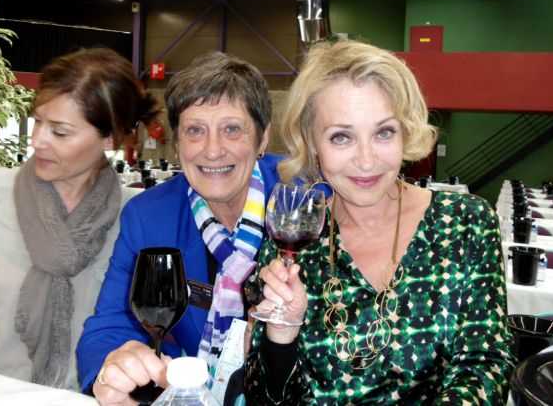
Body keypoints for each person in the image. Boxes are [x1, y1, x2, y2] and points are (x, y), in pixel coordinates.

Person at [245, 40, 515, 404]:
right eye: (341, 137)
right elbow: (265, 397)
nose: (367, 160)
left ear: (406, 131)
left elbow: (485, 367)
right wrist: (281, 335)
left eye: (384, 132)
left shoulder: (466, 223)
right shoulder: (294, 240)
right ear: (312, 144)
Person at [76, 51, 282, 404]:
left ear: (262, 138)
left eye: (232, 129)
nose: (212, 150)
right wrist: (112, 369)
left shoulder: (307, 203)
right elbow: (111, 324)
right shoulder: (150, 216)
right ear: (177, 142)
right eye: (195, 130)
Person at [0, 47, 160, 389]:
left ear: (110, 137)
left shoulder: (136, 220)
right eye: (38, 121)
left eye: (60, 131)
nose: (37, 140)